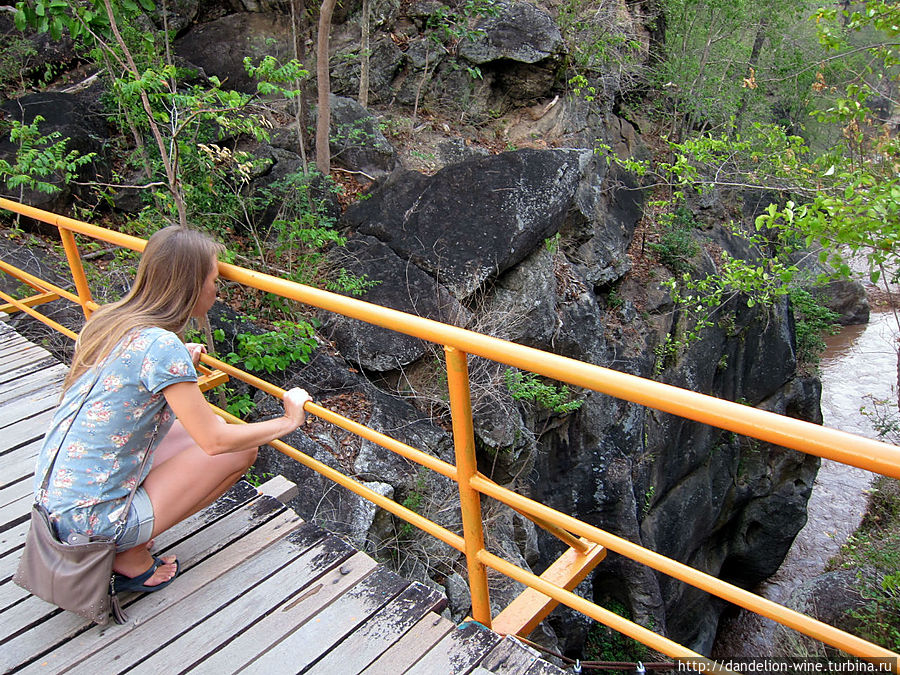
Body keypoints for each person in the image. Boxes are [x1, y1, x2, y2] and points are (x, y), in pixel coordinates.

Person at [33, 225, 312, 592]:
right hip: (88, 529)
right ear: (191, 285)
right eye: (215, 280)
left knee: (191, 430)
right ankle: (127, 555)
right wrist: (288, 420)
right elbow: (214, 442)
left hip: (54, 503)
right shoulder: (162, 348)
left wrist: (182, 361)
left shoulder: (111, 321)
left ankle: (123, 534)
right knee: (240, 449)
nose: (217, 290)